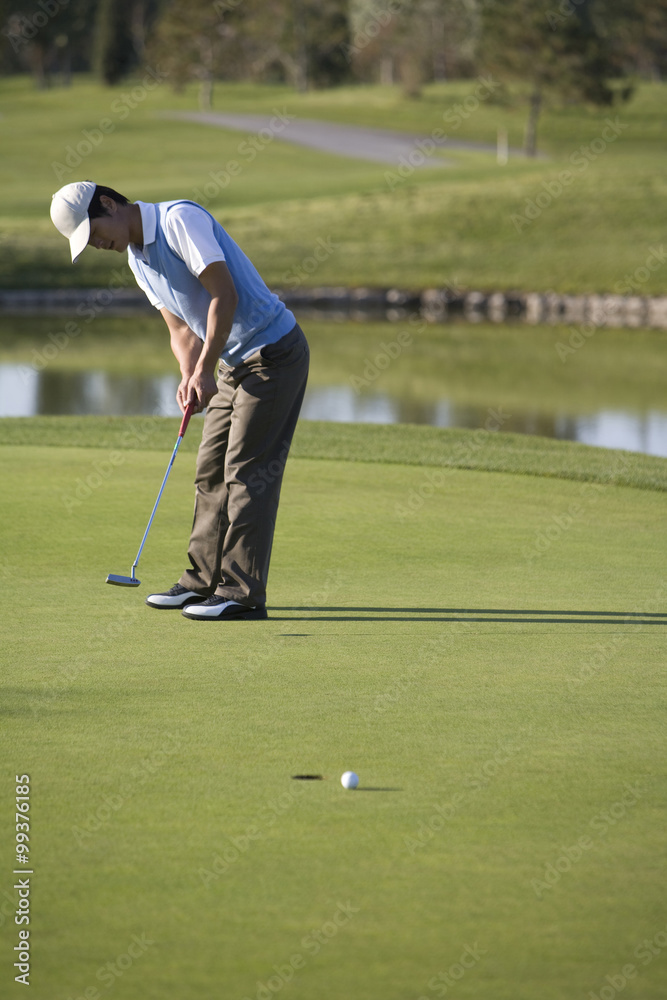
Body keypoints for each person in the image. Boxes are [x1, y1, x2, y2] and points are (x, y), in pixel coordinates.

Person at [50, 181, 309, 621]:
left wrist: (205, 368)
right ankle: (200, 582)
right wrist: (191, 374)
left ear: (109, 204)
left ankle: (241, 594)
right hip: (228, 361)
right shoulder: (137, 258)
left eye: (93, 233)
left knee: (245, 472)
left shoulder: (178, 221)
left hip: (272, 354)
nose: (97, 245)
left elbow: (222, 295)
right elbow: (180, 330)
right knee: (209, 470)